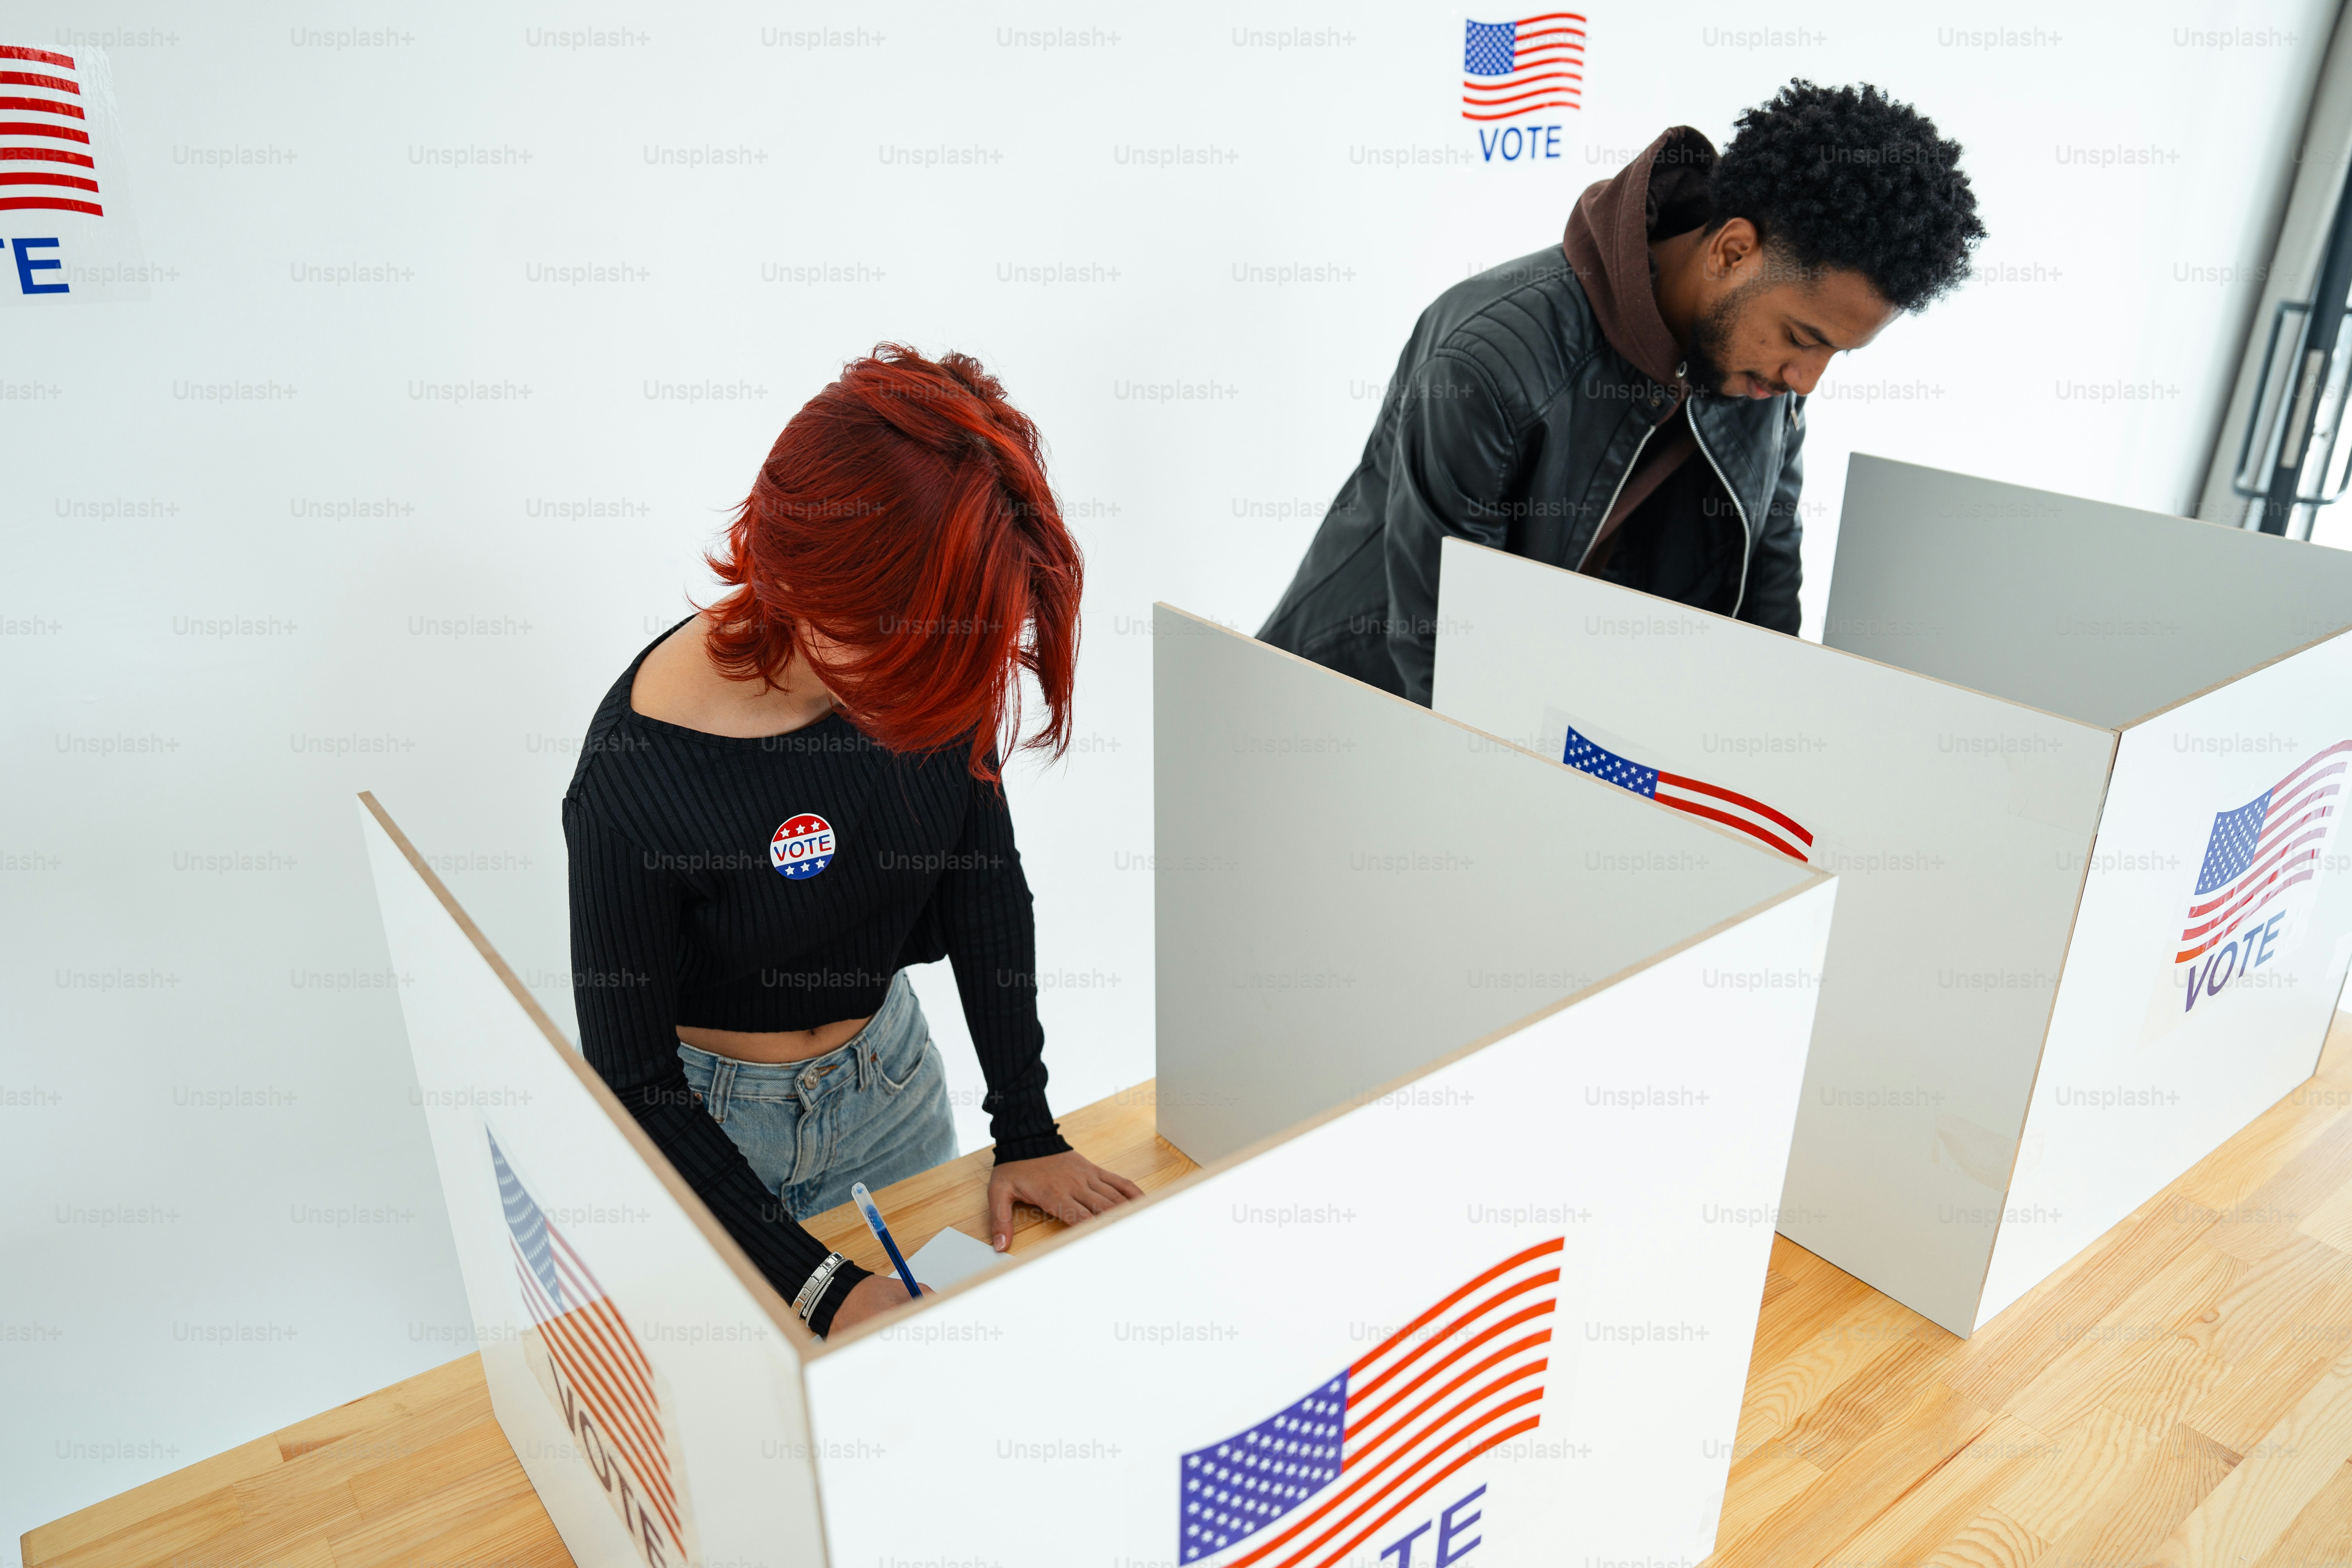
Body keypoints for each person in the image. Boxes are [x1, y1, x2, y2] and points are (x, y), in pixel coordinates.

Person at [564, 344, 1142, 1338]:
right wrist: (816, 1284)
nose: (932, 693)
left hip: (892, 1091)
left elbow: (982, 892)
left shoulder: (932, 659)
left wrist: (1027, 1128)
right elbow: (634, 1081)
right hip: (708, 1133)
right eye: (898, 658)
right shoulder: (630, 777)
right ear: (793, 573)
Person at [1258, 79, 1987, 705]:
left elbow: (1767, 579)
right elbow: (1446, 645)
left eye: (1837, 353)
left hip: (1573, 726)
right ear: (1732, 252)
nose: (1806, 380)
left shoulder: (1761, 375)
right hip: (1356, 720)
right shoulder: (1489, 356)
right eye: (1802, 337)